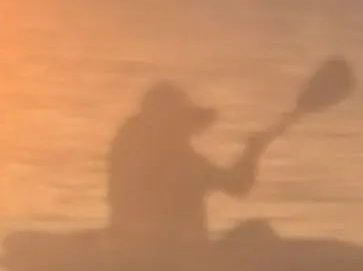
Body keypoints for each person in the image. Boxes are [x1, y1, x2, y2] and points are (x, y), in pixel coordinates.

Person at [104, 78, 261, 257]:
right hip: (178, 253)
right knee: (257, 232)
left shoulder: (126, 148)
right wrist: (252, 152)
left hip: (126, 244)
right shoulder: (184, 162)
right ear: (175, 124)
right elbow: (238, 185)